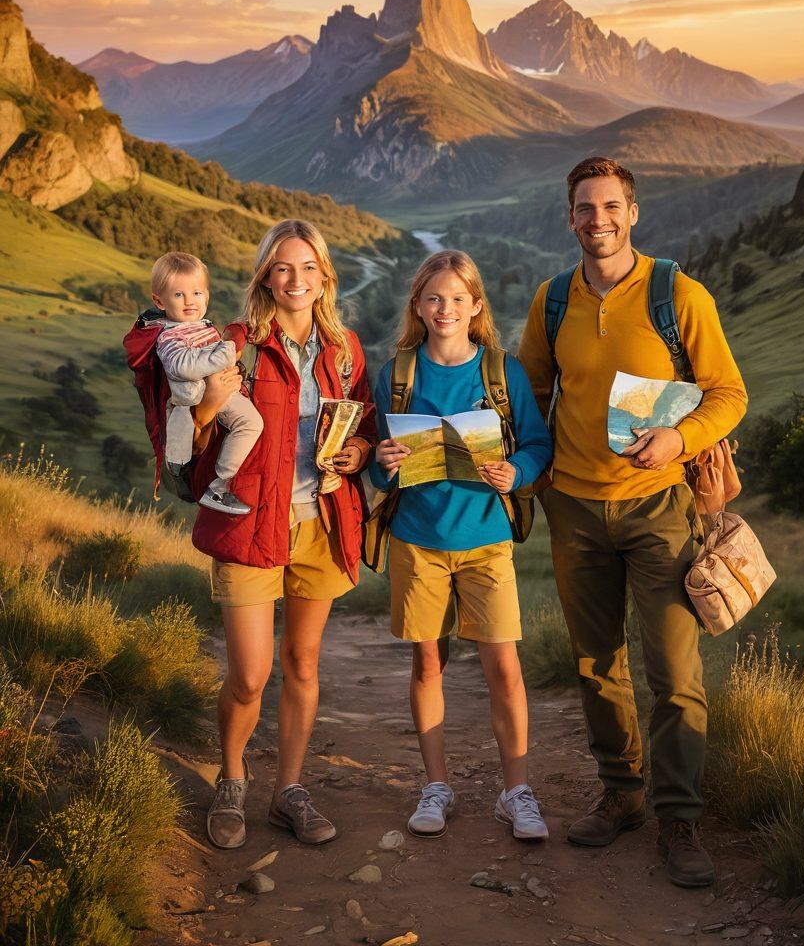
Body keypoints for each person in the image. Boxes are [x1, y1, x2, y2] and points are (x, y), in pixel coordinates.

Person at [518, 157, 747, 887]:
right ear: (571, 217)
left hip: (661, 511)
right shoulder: (553, 301)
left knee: (674, 672)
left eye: (611, 207)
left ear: (633, 212)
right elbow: (528, 396)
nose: (599, 220)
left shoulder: (679, 293)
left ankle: (679, 818)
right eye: (585, 208)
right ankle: (622, 796)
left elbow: (728, 392)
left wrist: (681, 438)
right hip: (576, 511)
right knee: (595, 662)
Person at [189, 219, 376, 851]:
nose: (295, 280)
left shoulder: (344, 348)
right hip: (248, 523)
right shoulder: (233, 344)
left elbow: (365, 426)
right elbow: (194, 438)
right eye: (282, 268)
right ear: (266, 275)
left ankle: (288, 790)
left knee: (302, 663)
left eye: (307, 267)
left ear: (325, 274)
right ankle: (233, 779)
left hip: (319, 524)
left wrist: (356, 452)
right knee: (249, 674)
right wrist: (211, 404)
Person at [370, 250, 553, 841]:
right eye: (433, 299)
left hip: (487, 540)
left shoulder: (503, 373)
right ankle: (436, 784)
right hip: (417, 540)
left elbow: (536, 445)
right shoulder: (398, 373)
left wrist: (515, 473)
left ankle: (516, 792)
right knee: (428, 661)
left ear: (476, 306)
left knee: (505, 665)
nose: (444, 309)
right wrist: (385, 462)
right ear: (418, 307)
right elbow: (376, 467)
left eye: (456, 299)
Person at [148, 250, 263, 515]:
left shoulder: (201, 326)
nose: (189, 301)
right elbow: (182, 366)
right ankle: (218, 487)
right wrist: (223, 353)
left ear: (207, 296)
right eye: (179, 295)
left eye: (197, 293)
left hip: (218, 391)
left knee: (253, 422)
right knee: (249, 423)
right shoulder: (169, 335)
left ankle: (222, 483)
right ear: (159, 301)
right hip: (198, 398)